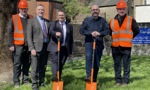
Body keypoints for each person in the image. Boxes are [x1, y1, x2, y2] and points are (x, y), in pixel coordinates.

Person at [109, 0, 140, 86]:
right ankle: (118, 81)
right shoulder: (112, 21)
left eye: (123, 9)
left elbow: (137, 30)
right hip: (115, 46)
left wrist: (130, 38)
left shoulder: (131, 20)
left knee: (126, 64)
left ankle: (125, 81)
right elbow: (110, 32)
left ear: (125, 9)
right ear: (117, 10)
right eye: (119, 9)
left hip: (126, 46)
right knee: (117, 64)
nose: (121, 10)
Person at [79, 5, 109, 82]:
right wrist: (90, 33)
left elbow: (107, 31)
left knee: (97, 61)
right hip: (89, 42)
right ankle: (88, 75)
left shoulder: (103, 21)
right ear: (91, 11)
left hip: (99, 43)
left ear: (99, 11)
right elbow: (82, 30)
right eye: (93, 10)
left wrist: (99, 33)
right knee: (89, 56)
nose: (95, 11)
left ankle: (94, 77)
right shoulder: (87, 20)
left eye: (96, 10)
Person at [7, 0, 33, 88]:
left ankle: (25, 80)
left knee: (27, 64)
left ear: (27, 9)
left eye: (25, 8)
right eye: (22, 9)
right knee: (17, 64)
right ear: (19, 9)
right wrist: (10, 44)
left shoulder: (31, 17)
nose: (24, 10)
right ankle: (16, 82)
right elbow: (9, 32)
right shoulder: (14, 18)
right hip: (17, 46)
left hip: (28, 46)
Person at [27, 4, 50, 90]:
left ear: (44, 11)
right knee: (35, 66)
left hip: (45, 47)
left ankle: (42, 81)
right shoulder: (31, 21)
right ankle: (34, 84)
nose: (41, 11)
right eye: (39, 10)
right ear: (36, 11)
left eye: (42, 10)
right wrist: (31, 48)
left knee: (43, 66)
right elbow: (29, 36)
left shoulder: (47, 21)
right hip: (35, 48)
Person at [47, 10, 73, 81]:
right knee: (55, 61)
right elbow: (50, 31)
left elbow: (71, 39)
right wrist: (56, 33)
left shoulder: (69, 26)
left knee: (61, 63)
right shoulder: (53, 24)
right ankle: (55, 76)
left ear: (64, 16)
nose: (61, 16)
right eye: (59, 15)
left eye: (62, 15)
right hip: (54, 46)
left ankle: (59, 77)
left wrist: (70, 50)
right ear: (57, 16)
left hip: (64, 48)